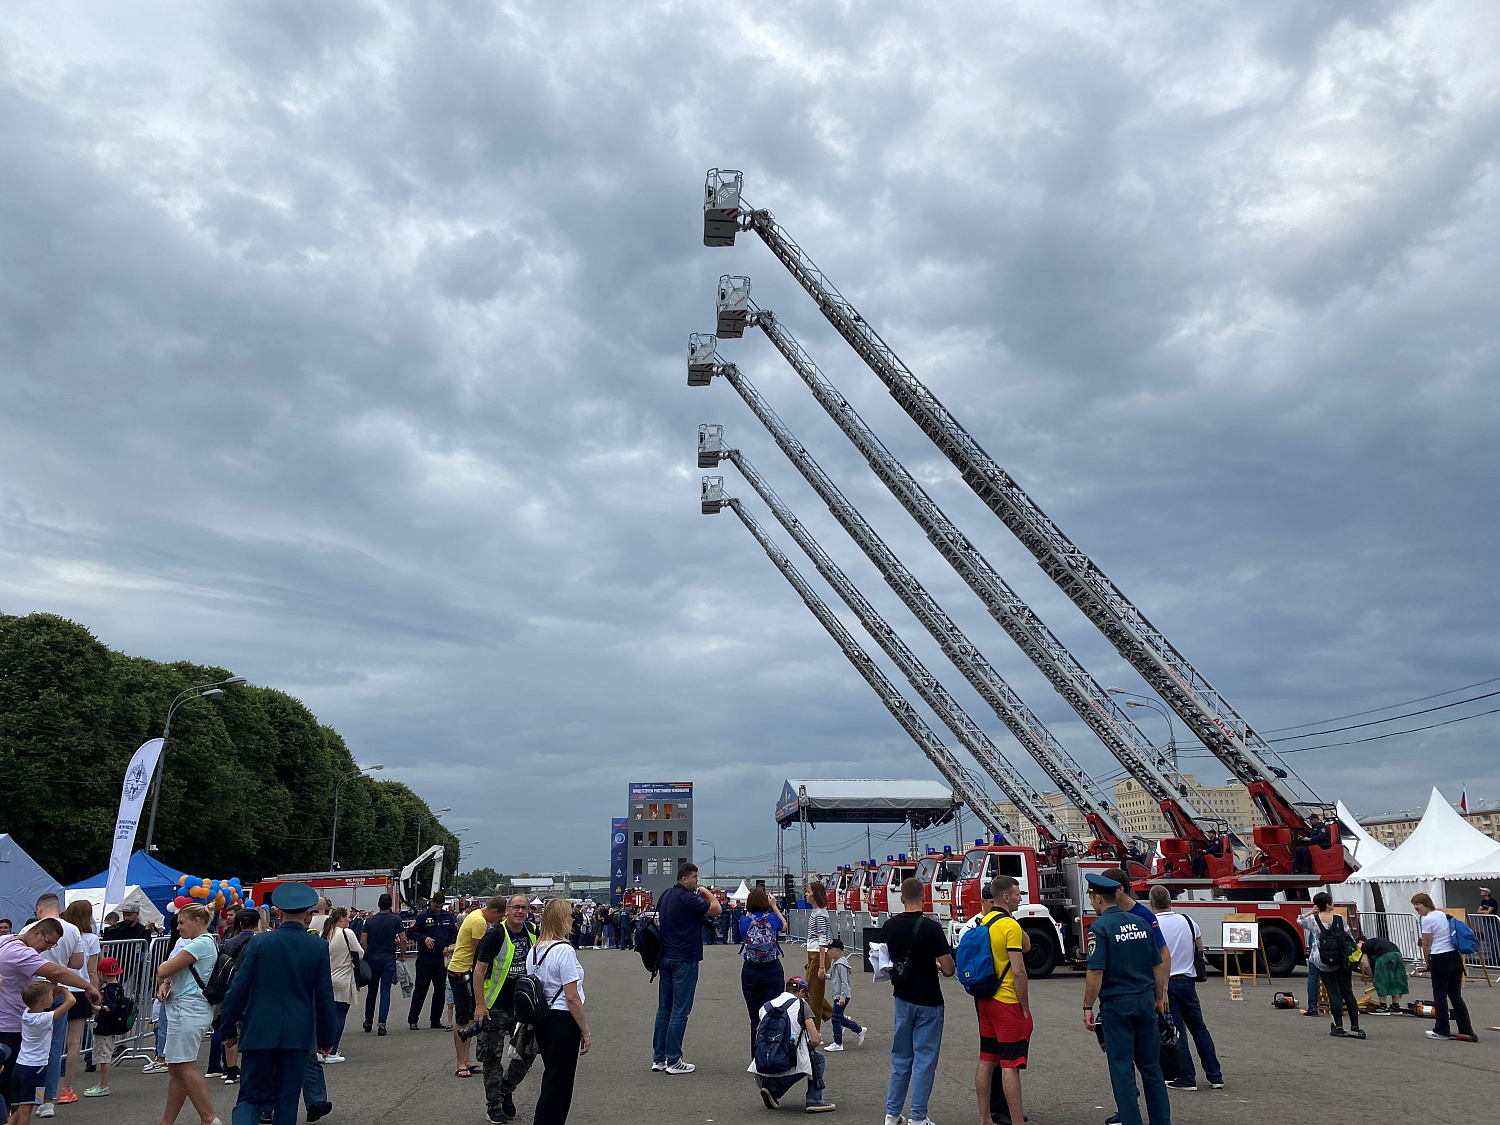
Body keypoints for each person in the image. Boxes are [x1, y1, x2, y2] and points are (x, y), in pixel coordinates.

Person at [217, 883, 336, 1125]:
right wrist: (325, 1039)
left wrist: (227, 1027)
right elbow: (324, 997)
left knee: (249, 1097)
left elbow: (238, 988)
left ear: (278, 914)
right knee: (287, 1101)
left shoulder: (260, 944)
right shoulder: (318, 946)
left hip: (259, 1030)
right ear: (307, 914)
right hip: (298, 1033)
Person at [1082, 871, 1170, 1125]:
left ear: (1098, 898)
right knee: (1152, 1068)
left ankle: (1131, 1120)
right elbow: (1157, 965)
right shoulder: (1142, 922)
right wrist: (1159, 999)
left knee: (1122, 1068)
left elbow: (1095, 972)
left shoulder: (1099, 928)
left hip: (1118, 1005)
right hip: (1145, 1001)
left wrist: (1088, 1005)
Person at [881, 877, 954, 1125]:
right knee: (924, 1059)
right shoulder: (932, 928)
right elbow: (948, 969)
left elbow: (884, 963)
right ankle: (918, 1117)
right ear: (924, 898)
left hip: (902, 998)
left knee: (901, 1057)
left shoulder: (889, 927)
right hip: (929, 1000)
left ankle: (892, 1114)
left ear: (901, 899)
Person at [473, 895, 541, 1124]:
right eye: (516, 908)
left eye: (524, 908)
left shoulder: (532, 931)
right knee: (492, 1058)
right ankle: (493, 1106)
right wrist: (480, 1006)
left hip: (523, 1007)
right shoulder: (495, 935)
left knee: (527, 1053)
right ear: (507, 911)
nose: (520, 911)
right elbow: (479, 971)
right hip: (495, 1007)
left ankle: (504, 1091)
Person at [1148, 885, 1222, 1092]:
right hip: (1187, 981)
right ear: (1171, 902)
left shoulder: (1152, 925)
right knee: (1199, 1028)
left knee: (1177, 1031)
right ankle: (1215, 1076)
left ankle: (1187, 1077)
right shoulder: (1188, 921)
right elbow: (1199, 948)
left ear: (1152, 904)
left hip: (1166, 983)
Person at [151, 903, 221, 1125]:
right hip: (184, 1009)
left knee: (185, 1067)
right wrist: (166, 981)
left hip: (188, 1010)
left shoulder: (200, 943)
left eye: (182, 922)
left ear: (197, 921)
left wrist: (165, 976)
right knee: (176, 1068)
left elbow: (163, 969)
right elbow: (170, 973)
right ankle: (167, 1121)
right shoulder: (202, 943)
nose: (178, 927)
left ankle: (209, 1118)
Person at [19, 894, 85, 1119]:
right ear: (59, 908)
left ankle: (22, 1098)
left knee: (26, 1043)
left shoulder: (29, 929)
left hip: (32, 990)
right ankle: (48, 1100)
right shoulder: (73, 930)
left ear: (39, 909)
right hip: (58, 987)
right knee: (55, 1046)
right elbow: (77, 963)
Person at [525, 899, 590, 1125]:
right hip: (562, 1018)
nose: (573, 919)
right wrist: (585, 1030)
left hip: (543, 1018)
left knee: (553, 1076)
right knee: (560, 1083)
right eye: (570, 915)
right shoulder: (564, 950)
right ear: (562, 919)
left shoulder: (534, 950)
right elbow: (572, 996)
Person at [652, 862, 720, 1075]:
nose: (697, 880)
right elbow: (716, 910)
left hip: (665, 957)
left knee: (664, 1009)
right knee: (680, 1010)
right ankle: (674, 1060)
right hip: (685, 958)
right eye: (695, 877)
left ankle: (659, 1058)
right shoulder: (689, 897)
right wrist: (707, 892)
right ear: (684, 878)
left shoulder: (665, 895)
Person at [974, 876, 1030, 1125]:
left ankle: (985, 1118)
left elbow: (1026, 945)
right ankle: (1017, 1121)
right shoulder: (1009, 926)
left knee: (987, 1059)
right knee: (1010, 1065)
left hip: (985, 1000)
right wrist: (1025, 1006)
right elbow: (1018, 971)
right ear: (1006, 897)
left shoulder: (984, 921)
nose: (1021, 897)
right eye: (1018, 894)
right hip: (1007, 1001)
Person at [749, 976, 834, 1113]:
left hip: (762, 1061)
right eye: (805, 995)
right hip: (787, 1059)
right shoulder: (801, 1005)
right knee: (818, 1058)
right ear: (800, 992)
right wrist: (808, 1047)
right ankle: (813, 1100)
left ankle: (769, 1087)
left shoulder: (766, 1007)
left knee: (791, 1062)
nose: (805, 998)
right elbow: (816, 1039)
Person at [448, 896, 503, 1080]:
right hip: (461, 971)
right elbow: (479, 952)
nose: (499, 921)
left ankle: (466, 1059)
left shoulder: (476, 916)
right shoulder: (479, 921)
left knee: (471, 1018)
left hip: (464, 970)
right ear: (495, 911)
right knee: (463, 1018)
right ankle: (459, 1062)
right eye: (500, 917)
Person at [1412, 893, 1477, 1042]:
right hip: (1454, 956)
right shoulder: (1441, 915)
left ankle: (1442, 1029)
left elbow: (1426, 944)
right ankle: (1466, 1029)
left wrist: (1427, 961)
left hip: (1440, 957)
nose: (1416, 907)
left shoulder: (1427, 920)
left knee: (1440, 995)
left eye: (1418, 904)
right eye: (1414, 905)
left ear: (1426, 904)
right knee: (1455, 995)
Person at [1301, 893, 1364, 1039]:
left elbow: (1300, 920)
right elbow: (1348, 937)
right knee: (1347, 992)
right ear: (1329, 905)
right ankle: (1355, 1026)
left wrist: (1312, 911)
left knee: (1333, 992)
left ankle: (1338, 1026)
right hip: (1341, 959)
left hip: (1322, 960)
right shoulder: (1339, 920)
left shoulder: (1313, 921)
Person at [209, 910, 260, 1085]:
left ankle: (230, 1069)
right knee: (250, 1029)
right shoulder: (259, 942)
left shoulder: (227, 943)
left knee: (230, 1030)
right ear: (257, 923)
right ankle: (249, 1068)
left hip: (228, 989)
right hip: (252, 990)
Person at [56, 900, 100, 1107]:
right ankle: (67, 1088)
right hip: (80, 989)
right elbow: (92, 970)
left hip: (57, 987)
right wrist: (94, 991)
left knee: (50, 1040)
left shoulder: (61, 934)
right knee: (74, 1042)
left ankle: (44, 1087)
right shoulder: (90, 938)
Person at [11, 984, 74, 1125]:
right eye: (51, 995)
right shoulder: (44, 1018)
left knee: (20, 1107)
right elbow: (71, 1002)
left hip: (20, 1065)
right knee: (27, 1109)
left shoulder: (26, 1013)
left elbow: (39, 1000)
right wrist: (64, 991)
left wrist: (52, 991)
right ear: (44, 1000)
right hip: (36, 1069)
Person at [738, 887, 787, 1052]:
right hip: (772, 968)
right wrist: (773, 906)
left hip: (751, 969)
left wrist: (749, 908)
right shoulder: (772, 919)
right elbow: (784, 926)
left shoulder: (744, 921)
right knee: (774, 1015)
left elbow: (744, 933)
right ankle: (773, 1054)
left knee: (755, 1017)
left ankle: (756, 1057)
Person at [408, 895, 459, 1031]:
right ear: (432, 903)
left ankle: (435, 1019)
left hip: (441, 958)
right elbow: (411, 932)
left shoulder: (447, 916)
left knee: (440, 989)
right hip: (426, 958)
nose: (438, 909)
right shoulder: (423, 916)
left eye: (441, 906)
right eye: (436, 906)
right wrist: (424, 938)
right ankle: (413, 1019)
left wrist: (449, 946)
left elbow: (454, 934)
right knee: (421, 989)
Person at [83, 956, 131, 1097]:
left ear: (101, 974)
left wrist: (96, 1008)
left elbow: (111, 1007)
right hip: (111, 1025)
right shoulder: (118, 987)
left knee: (104, 1057)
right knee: (104, 1055)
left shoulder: (109, 989)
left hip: (106, 1025)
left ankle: (103, 1085)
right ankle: (101, 1084)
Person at [359, 894, 406, 1034]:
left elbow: (363, 941)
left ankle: (368, 1022)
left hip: (373, 959)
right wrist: (402, 956)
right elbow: (403, 939)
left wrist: (366, 953)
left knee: (371, 992)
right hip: (388, 959)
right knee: (385, 991)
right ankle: (382, 1024)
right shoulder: (396, 919)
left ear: (378, 904)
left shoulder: (370, 921)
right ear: (390, 905)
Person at [321, 908, 360, 1062]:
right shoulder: (346, 933)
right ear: (341, 918)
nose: (350, 920)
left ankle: (322, 1049)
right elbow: (359, 951)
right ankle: (332, 1050)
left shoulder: (326, 933)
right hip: (343, 978)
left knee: (327, 1016)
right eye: (348, 917)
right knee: (339, 1015)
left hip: (328, 977)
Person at [824, 939, 864, 1052]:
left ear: (837, 951)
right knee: (840, 1018)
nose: (827, 951)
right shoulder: (836, 963)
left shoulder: (841, 965)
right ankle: (859, 1029)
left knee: (835, 1018)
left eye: (830, 949)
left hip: (842, 996)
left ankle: (838, 1042)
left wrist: (842, 997)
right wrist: (825, 976)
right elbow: (833, 976)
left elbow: (844, 982)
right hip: (838, 995)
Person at [803, 882, 834, 1028]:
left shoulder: (820, 914)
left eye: (808, 891)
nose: (806, 894)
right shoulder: (816, 912)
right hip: (813, 953)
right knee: (812, 990)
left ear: (815, 894)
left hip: (818, 954)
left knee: (813, 995)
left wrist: (821, 964)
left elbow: (823, 940)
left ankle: (814, 1030)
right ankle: (836, 1017)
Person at [1356, 934, 1408, 1014]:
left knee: (1381, 980)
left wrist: (1373, 979)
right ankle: (1395, 1005)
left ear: (1360, 942)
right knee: (1395, 979)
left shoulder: (1363, 947)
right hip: (1397, 953)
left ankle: (1382, 1006)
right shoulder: (1374, 942)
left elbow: (1366, 965)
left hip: (1384, 955)